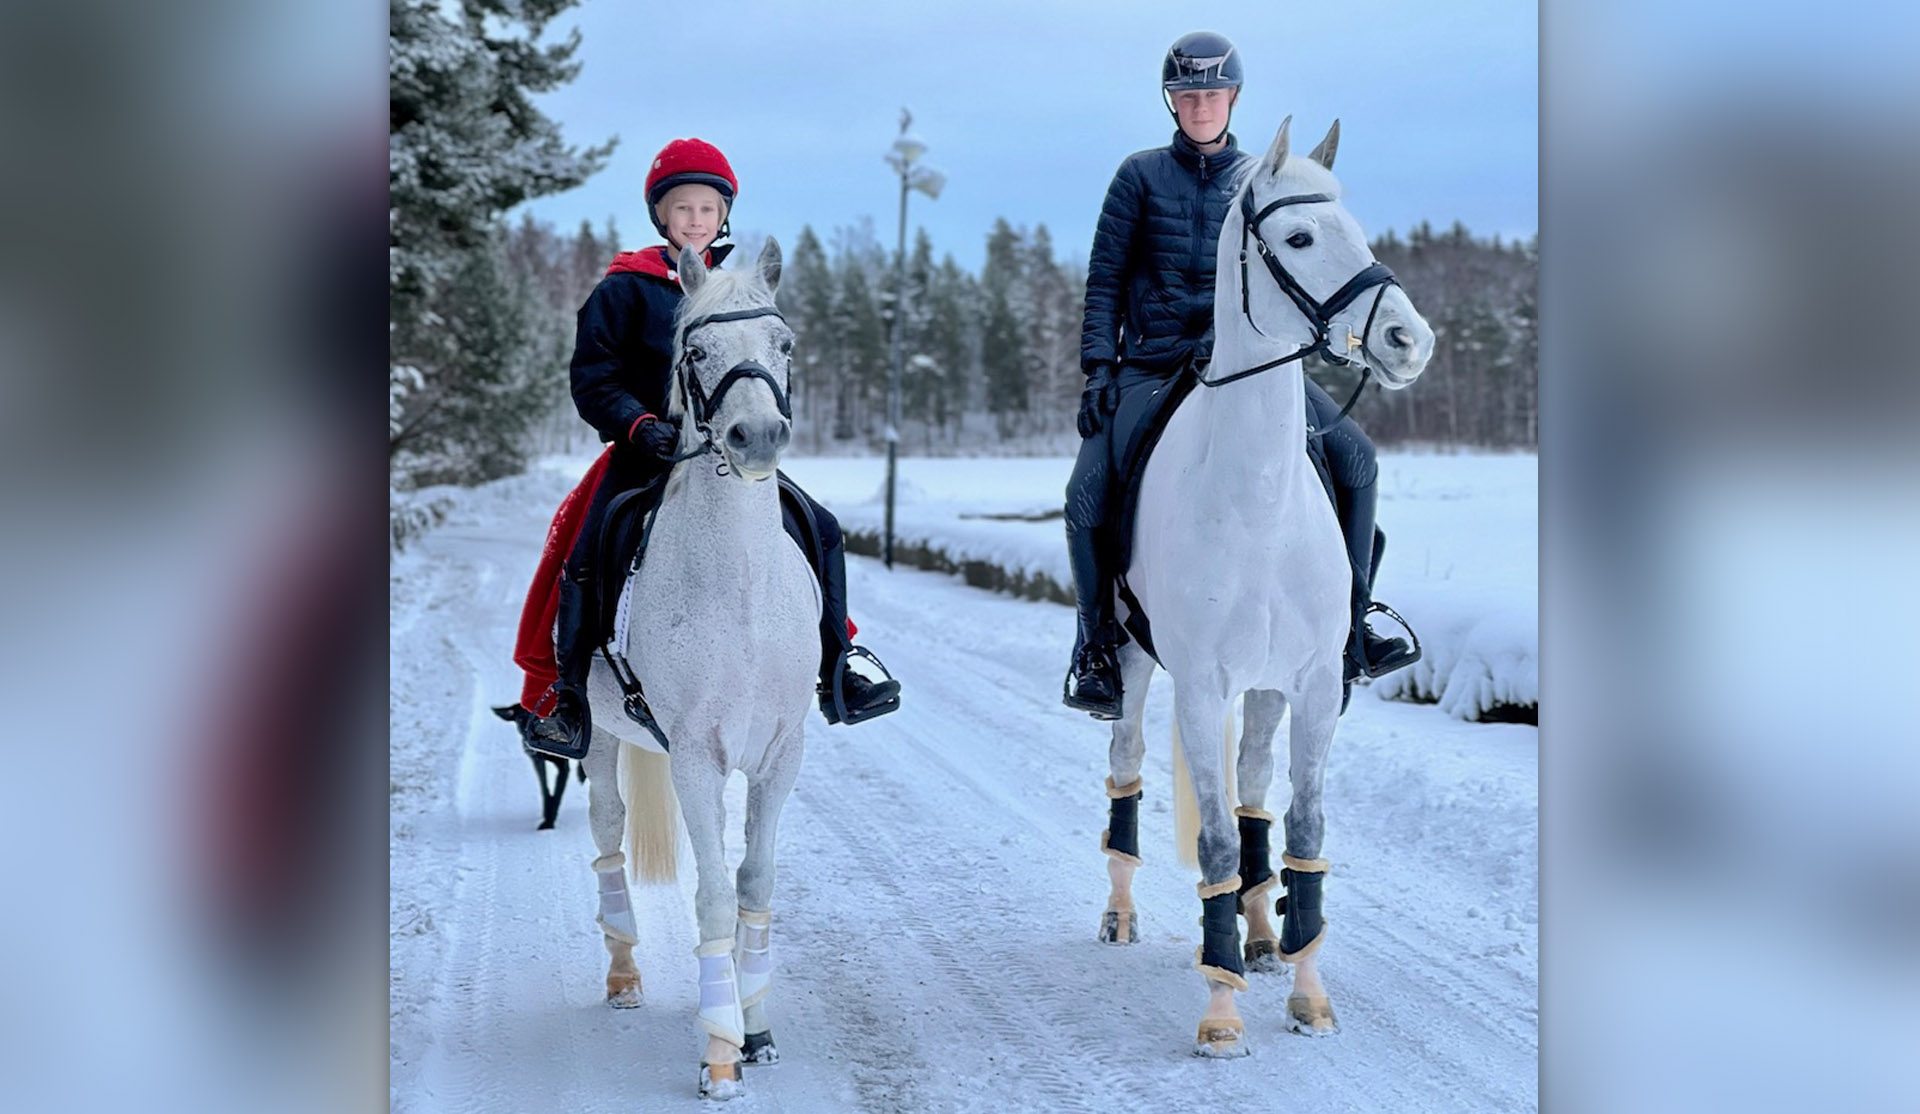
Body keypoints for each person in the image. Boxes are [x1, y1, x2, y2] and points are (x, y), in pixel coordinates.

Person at [508, 138, 901, 759]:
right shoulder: (622, 291)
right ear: (660, 215)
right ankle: (570, 696)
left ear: (724, 217)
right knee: (588, 549)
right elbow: (593, 377)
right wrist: (637, 423)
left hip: (731, 457)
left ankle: (837, 666)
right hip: (645, 454)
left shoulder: (735, 293)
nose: (695, 220)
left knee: (820, 527)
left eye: (708, 209)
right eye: (682, 208)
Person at [1062, 31, 1417, 719]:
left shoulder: (1263, 181)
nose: (1201, 106)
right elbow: (1104, 279)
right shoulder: (1138, 177)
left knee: (1358, 460)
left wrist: (1337, 336)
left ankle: (1355, 621)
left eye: (1213, 94)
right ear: (1172, 102)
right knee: (1086, 493)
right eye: (1188, 95)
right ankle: (1097, 648)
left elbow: (1305, 275)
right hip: (1156, 366)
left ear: (1233, 100)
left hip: (1249, 365)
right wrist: (1099, 368)